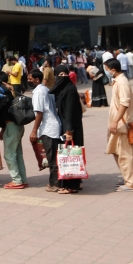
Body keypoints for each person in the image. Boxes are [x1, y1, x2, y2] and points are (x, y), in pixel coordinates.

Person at [104, 58, 133, 192]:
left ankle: (130, 183)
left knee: (124, 153)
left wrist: (115, 121)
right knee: (116, 151)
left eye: (107, 70)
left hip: (122, 124)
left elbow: (124, 103)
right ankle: (126, 177)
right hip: (116, 123)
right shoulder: (117, 81)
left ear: (113, 70)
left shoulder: (122, 82)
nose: (106, 72)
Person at [27, 70, 61, 192]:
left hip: (49, 129)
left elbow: (39, 113)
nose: (28, 81)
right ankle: (56, 182)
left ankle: (55, 184)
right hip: (53, 126)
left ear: (37, 80)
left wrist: (34, 131)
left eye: (30, 79)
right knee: (54, 158)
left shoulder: (39, 92)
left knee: (52, 159)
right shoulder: (46, 89)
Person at [51, 65, 83, 194]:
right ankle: (74, 182)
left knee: (70, 154)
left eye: (65, 74)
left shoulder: (70, 89)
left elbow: (70, 111)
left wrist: (69, 130)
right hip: (66, 125)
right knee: (68, 154)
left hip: (70, 127)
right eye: (60, 74)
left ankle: (71, 185)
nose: (62, 77)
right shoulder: (62, 89)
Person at [0, 77, 27, 190]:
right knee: (17, 154)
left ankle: (17, 180)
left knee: (9, 155)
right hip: (18, 126)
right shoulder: (12, 93)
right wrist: (3, 129)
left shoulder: (2, 95)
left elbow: (3, 114)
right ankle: (22, 179)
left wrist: (3, 128)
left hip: (11, 127)